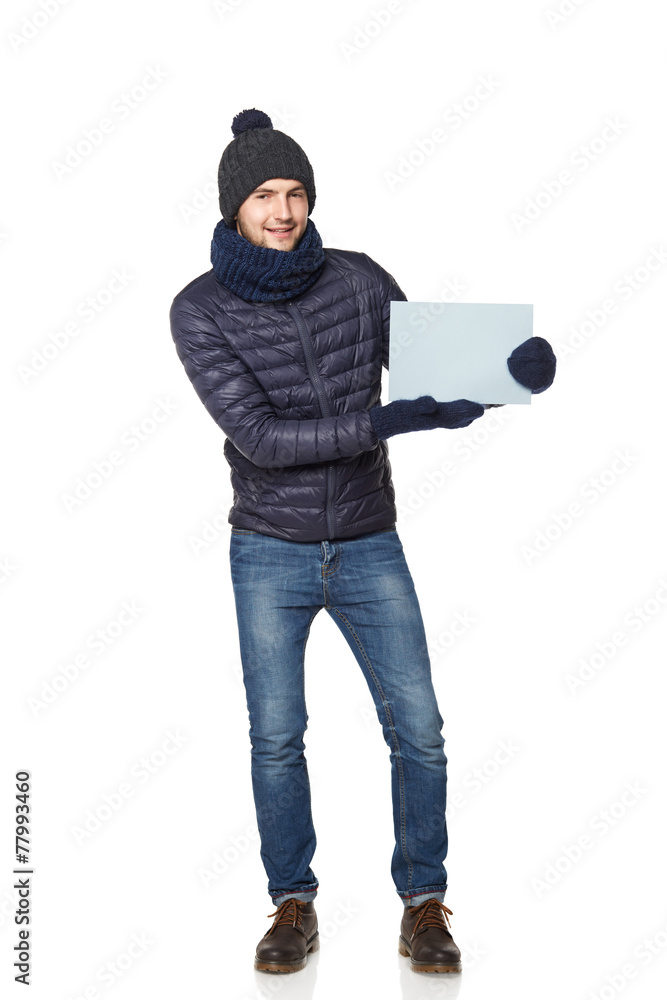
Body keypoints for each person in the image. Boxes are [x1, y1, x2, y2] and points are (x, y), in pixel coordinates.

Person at [169, 108, 556, 975]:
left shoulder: (356, 278)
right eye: (264, 194)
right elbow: (261, 440)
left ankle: (423, 905)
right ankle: (292, 903)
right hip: (269, 549)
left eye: (296, 192)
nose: (283, 210)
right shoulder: (198, 311)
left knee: (418, 728)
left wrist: (504, 376)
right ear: (234, 207)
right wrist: (386, 418)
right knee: (276, 735)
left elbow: (429, 376)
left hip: (369, 539)